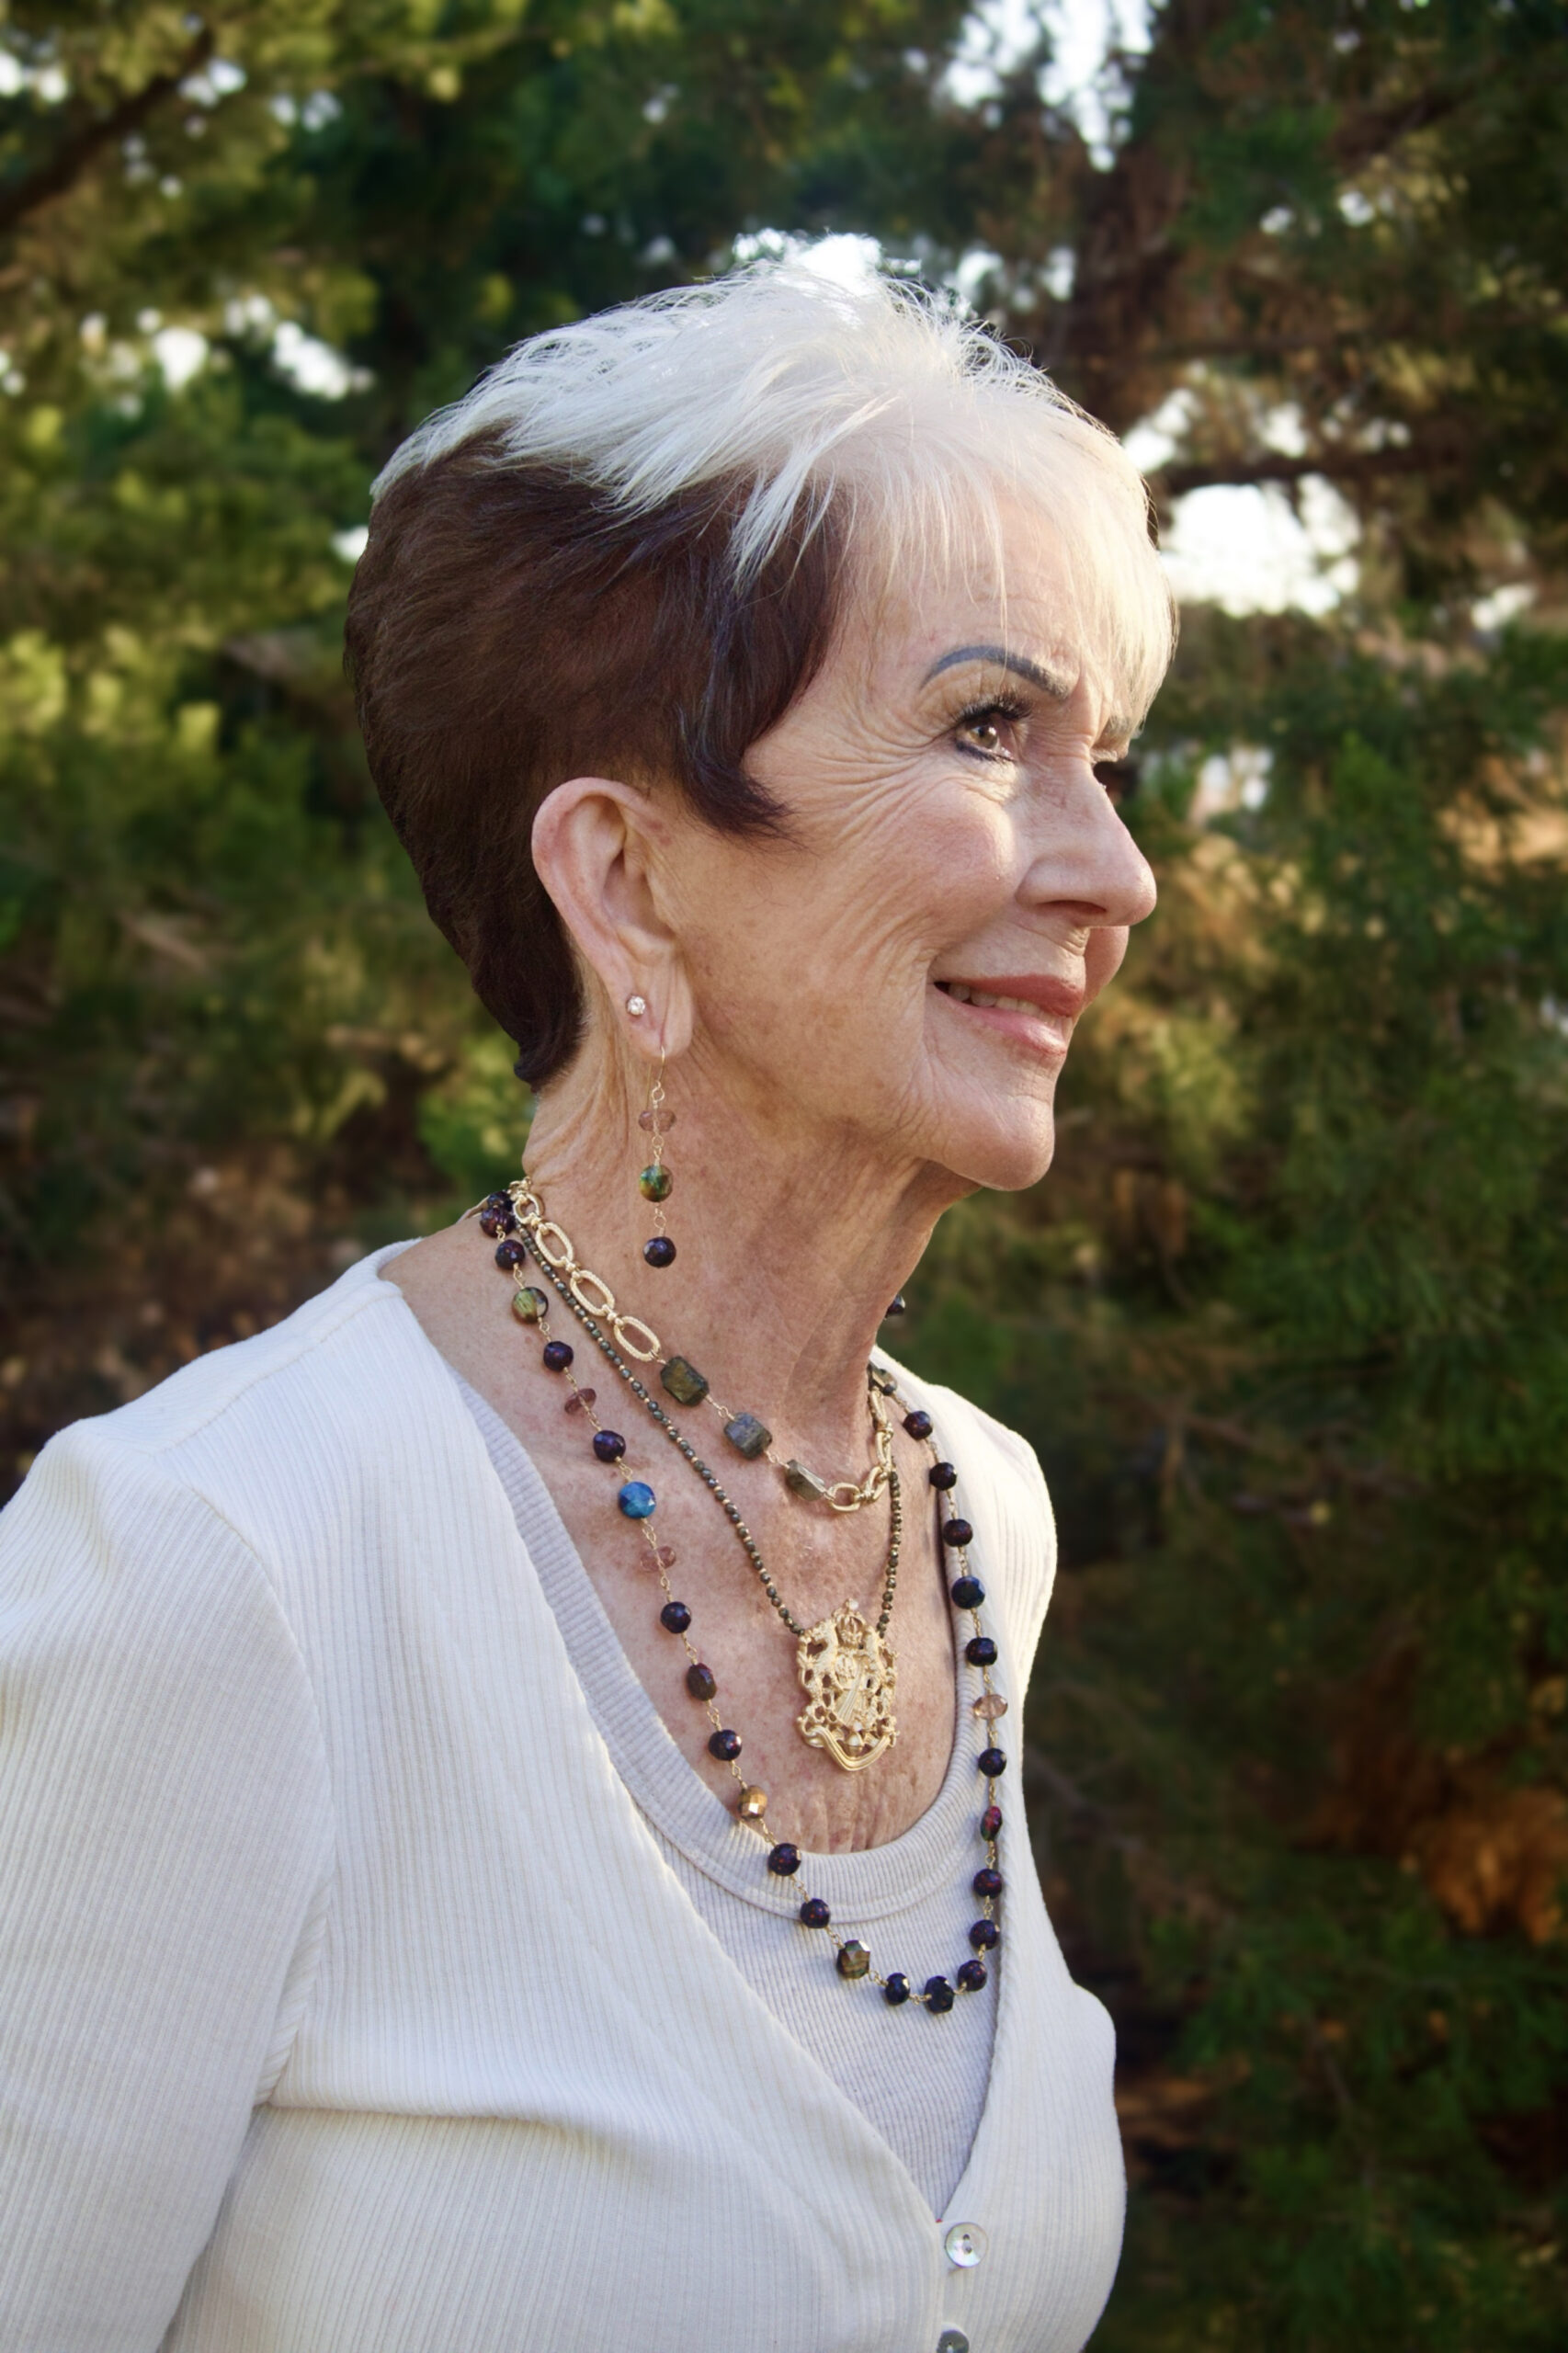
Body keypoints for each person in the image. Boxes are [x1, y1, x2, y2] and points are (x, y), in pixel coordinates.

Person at [0, 255, 1173, 2353]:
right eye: (990, 729)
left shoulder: (976, 1515)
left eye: (1111, 758)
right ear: (623, 879)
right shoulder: (217, 1561)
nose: (1116, 873)